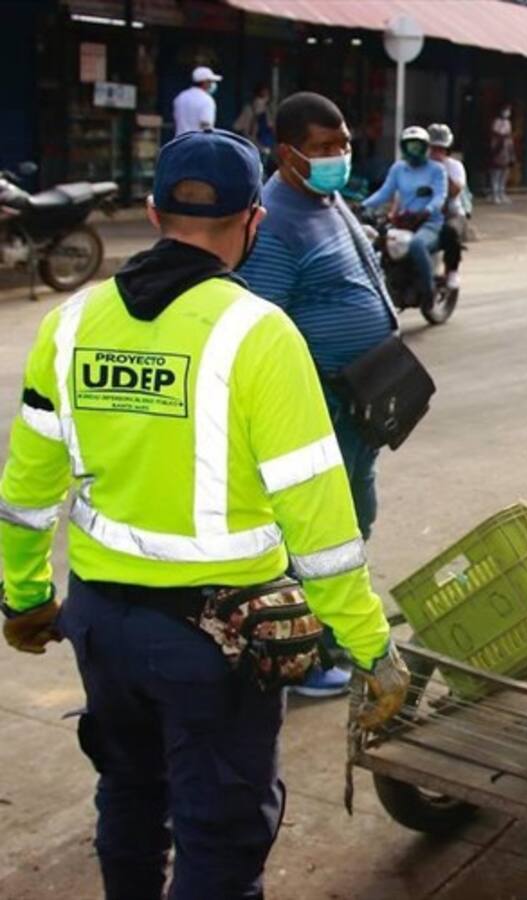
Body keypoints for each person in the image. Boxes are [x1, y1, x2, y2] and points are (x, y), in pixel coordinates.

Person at [0, 128, 410, 900]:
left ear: (153, 213)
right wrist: (368, 645)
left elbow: (26, 492)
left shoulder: (71, 323)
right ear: (253, 222)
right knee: (219, 835)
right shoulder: (260, 335)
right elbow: (320, 526)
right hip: (217, 646)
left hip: (100, 626)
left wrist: (24, 599)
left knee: (127, 792)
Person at [237, 93, 398, 696]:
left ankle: (331, 638)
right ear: (288, 154)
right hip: (321, 403)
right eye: (325, 148)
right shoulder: (275, 221)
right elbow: (266, 321)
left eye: (345, 144)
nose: (340, 157)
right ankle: (305, 657)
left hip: (360, 397)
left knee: (356, 518)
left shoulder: (328, 201)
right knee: (324, 536)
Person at [362, 125, 447, 303]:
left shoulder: (437, 170)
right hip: (404, 221)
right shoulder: (398, 168)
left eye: (418, 146)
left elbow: (440, 195)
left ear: (426, 147)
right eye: (410, 146)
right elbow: (385, 192)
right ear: (404, 147)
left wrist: (427, 210)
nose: (414, 150)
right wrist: (362, 205)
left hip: (429, 223)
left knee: (416, 245)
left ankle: (428, 291)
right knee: (375, 244)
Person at [428, 123, 468, 292]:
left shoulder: (454, 167)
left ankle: (452, 271)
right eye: (432, 148)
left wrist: (441, 171)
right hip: (423, 213)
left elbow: (454, 191)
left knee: (451, 231)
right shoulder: (416, 166)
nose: (436, 153)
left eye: (440, 149)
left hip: (451, 214)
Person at [172, 65, 221, 136]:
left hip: (180, 141)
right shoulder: (206, 99)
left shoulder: (180, 97)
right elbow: (206, 125)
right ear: (205, 82)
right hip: (197, 143)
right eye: (210, 81)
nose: (212, 84)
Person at [233, 83, 275, 158]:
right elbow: (237, 127)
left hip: (261, 149)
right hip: (254, 148)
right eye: (262, 96)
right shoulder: (250, 110)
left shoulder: (267, 111)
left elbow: (236, 127)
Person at [489, 104, 515, 204]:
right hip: (498, 150)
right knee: (496, 173)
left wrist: (511, 151)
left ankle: (502, 192)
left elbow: (509, 136)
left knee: (504, 173)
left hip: (506, 150)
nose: (507, 112)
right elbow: (496, 133)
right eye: (506, 110)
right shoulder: (497, 122)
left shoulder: (508, 123)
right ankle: (495, 194)